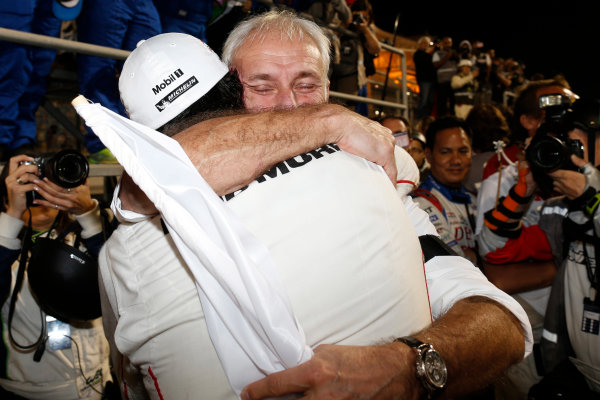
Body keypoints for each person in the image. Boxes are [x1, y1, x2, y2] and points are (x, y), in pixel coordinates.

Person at [109, 11, 532, 400]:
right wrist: (331, 120)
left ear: (329, 88)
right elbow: (143, 184)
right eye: (262, 86)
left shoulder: (375, 177)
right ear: (229, 92)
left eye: (307, 85)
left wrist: (407, 366)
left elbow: (503, 322)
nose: (289, 106)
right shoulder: (141, 211)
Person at [0, 153, 114, 399]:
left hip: (101, 385)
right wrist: (11, 217)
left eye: (48, 182)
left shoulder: (88, 237)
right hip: (31, 393)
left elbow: (124, 280)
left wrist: (87, 213)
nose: (40, 191)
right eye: (30, 184)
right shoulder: (5, 250)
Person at [75, 0, 162, 163]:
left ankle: (138, 139)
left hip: (145, 4)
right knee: (98, 68)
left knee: (145, 71)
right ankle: (103, 143)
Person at [0, 0, 82, 162]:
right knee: (12, 61)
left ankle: (21, 138)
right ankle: (2, 136)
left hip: (50, 6)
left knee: (40, 67)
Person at [411, 116, 478, 265]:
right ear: (429, 155)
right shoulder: (419, 204)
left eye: (463, 151)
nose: (456, 161)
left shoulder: (474, 199)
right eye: (446, 152)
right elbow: (455, 265)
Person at [330, 0, 381, 116]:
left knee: (346, 110)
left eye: (364, 16)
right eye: (357, 15)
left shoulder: (365, 30)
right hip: (332, 71)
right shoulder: (339, 22)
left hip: (351, 75)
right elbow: (329, 41)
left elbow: (376, 49)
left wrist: (364, 29)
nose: (359, 18)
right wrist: (344, 25)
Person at [432, 36, 458, 117]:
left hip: (454, 83)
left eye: (449, 43)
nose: (448, 45)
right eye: (446, 43)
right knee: (442, 104)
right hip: (442, 82)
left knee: (453, 104)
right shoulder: (437, 53)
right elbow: (435, 64)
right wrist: (447, 56)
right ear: (443, 44)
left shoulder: (455, 53)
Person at [413, 36, 436, 120]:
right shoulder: (418, 54)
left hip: (431, 81)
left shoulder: (429, 55)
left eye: (427, 43)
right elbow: (424, 63)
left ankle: (426, 119)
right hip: (424, 81)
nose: (425, 45)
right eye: (423, 43)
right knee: (424, 100)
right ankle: (419, 119)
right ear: (419, 44)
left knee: (430, 101)